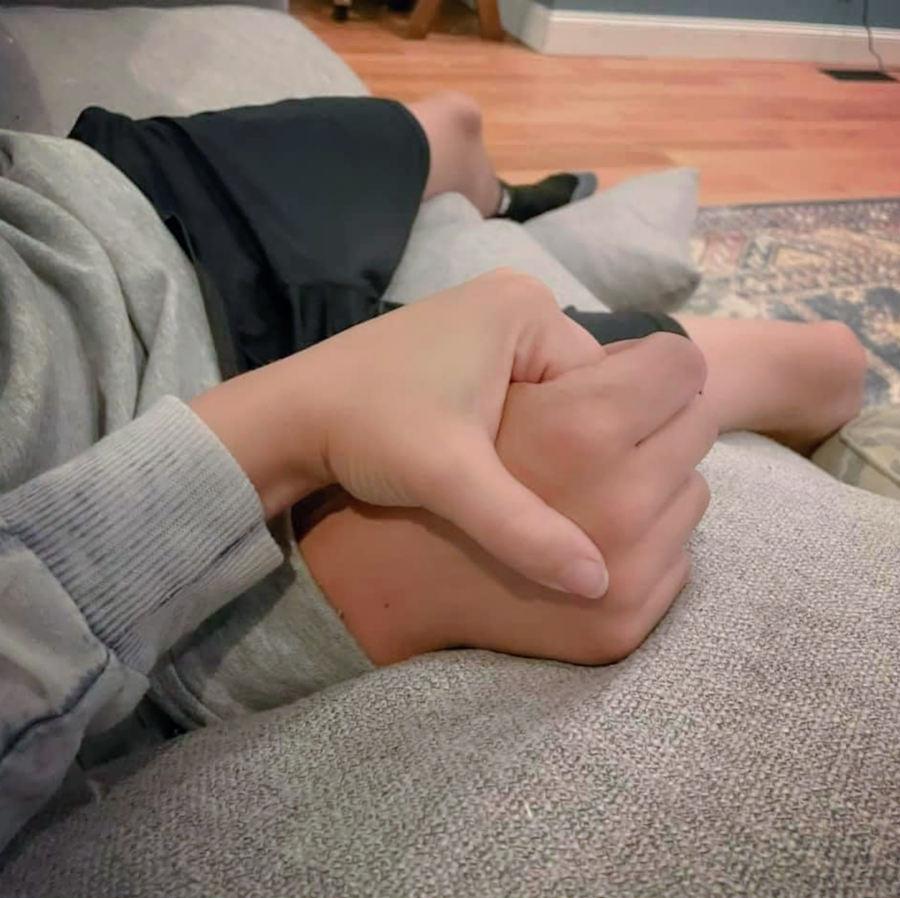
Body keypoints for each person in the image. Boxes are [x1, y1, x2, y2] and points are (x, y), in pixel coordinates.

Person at [0, 86, 866, 854]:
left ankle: (498, 196)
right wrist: (293, 426)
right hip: (224, 522)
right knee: (813, 364)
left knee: (437, 128)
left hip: (98, 205)